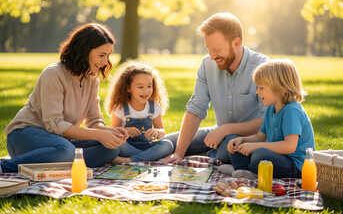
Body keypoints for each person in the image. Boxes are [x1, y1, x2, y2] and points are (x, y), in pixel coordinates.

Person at [1, 23, 128, 173]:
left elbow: (93, 121)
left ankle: (59, 161)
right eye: (102, 55)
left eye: (108, 55)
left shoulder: (93, 78)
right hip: (25, 136)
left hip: (59, 141)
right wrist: (99, 135)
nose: (106, 62)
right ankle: (4, 166)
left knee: (110, 150)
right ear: (84, 51)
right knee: (66, 150)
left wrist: (110, 132)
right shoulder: (53, 74)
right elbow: (54, 125)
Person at [160, 12, 269, 164]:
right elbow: (196, 109)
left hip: (250, 139)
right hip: (218, 131)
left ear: (236, 43)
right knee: (164, 145)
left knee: (229, 146)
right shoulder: (207, 65)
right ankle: (210, 154)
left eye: (217, 49)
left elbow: (267, 122)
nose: (212, 56)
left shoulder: (262, 68)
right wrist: (179, 152)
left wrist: (225, 130)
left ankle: (214, 155)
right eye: (208, 49)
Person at [226, 59, 315, 179]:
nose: (257, 92)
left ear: (280, 88)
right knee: (234, 143)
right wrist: (242, 140)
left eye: (261, 88)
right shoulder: (270, 109)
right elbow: (260, 137)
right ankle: (245, 172)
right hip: (278, 157)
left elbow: (289, 146)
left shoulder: (292, 111)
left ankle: (246, 171)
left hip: (296, 166)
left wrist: (256, 147)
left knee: (260, 155)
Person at [105, 61, 173, 163]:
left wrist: (156, 132)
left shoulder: (154, 106)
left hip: (147, 147)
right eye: (140, 87)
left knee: (168, 145)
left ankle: (130, 160)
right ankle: (146, 157)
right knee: (117, 145)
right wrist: (126, 131)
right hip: (127, 147)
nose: (146, 91)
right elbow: (113, 133)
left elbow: (162, 132)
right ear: (128, 88)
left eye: (149, 86)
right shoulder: (121, 108)